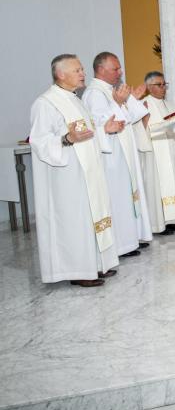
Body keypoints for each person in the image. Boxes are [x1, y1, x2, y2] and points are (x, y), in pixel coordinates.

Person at [30, 54, 122, 287]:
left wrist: (104, 130)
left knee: (90, 218)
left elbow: (87, 134)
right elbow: (39, 141)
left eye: (82, 69)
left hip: (87, 173)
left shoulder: (76, 100)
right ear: (61, 74)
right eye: (77, 70)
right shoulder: (46, 103)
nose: (83, 74)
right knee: (74, 222)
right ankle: (78, 270)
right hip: (67, 176)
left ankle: (94, 265)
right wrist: (67, 139)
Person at [83, 52, 153, 257]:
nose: (120, 72)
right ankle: (121, 245)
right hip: (111, 156)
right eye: (115, 69)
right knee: (118, 198)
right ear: (101, 69)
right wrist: (119, 103)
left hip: (124, 152)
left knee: (128, 196)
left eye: (120, 68)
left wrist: (131, 100)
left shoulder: (112, 89)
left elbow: (132, 116)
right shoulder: (94, 94)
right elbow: (105, 124)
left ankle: (132, 239)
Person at [137, 71, 175, 234]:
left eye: (164, 84)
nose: (163, 88)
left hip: (170, 149)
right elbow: (138, 130)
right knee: (159, 185)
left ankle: (173, 219)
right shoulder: (143, 105)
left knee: (172, 183)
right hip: (155, 153)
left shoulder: (168, 104)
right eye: (159, 85)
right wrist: (144, 122)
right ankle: (160, 223)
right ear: (148, 87)